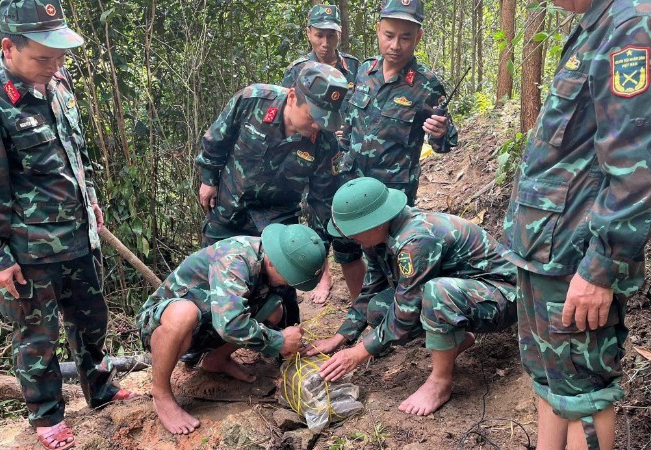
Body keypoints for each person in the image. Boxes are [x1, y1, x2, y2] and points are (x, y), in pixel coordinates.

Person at [501, 0, 651, 447]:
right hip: (545, 244)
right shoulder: (599, 22)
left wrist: (602, 265)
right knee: (551, 380)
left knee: (584, 392)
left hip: (575, 254)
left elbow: (640, 163)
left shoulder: (637, 24)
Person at [0, 1, 137, 448]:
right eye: (44, 56)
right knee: (37, 336)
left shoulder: (55, 77)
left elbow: (76, 150)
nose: (55, 65)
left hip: (77, 233)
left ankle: (101, 388)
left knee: (92, 320)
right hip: (28, 248)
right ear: (9, 48)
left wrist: (90, 199)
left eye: (60, 55)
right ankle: (47, 417)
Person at [305, 178, 517, 416]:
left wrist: (359, 352)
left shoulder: (416, 239)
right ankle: (457, 339)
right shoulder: (378, 238)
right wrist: (342, 336)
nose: (349, 237)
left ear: (374, 223)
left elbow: (406, 310)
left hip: (501, 296)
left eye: (352, 231)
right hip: (466, 293)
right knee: (378, 307)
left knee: (437, 293)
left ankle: (440, 382)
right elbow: (370, 290)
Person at [194, 61, 346, 339]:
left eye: (324, 121)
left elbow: (322, 200)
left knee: (281, 293)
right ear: (292, 97)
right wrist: (208, 178)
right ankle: (205, 353)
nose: (317, 127)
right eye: (312, 117)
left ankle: (285, 353)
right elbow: (217, 139)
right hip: (229, 209)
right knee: (215, 286)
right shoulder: (253, 100)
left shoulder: (324, 144)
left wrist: (317, 249)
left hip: (278, 225)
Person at [137, 224, 326, 435]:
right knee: (185, 313)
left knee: (274, 310)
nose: (290, 284)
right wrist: (278, 341)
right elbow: (229, 324)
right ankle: (161, 393)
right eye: (290, 278)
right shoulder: (235, 258)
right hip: (166, 325)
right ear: (274, 263)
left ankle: (216, 359)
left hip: (209, 320)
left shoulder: (269, 259)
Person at [332, 0, 460, 303]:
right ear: (378, 30)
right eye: (389, 35)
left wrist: (440, 134)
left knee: (388, 258)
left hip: (391, 191)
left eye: (405, 37)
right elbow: (350, 122)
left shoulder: (426, 85)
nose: (396, 45)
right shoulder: (364, 71)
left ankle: (392, 319)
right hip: (352, 180)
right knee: (347, 250)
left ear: (418, 37)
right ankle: (359, 310)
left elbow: (445, 142)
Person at [281, 4, 360, 305]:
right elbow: (290, 113)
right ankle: (324, 275)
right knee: (316, 211)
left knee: (348, 209)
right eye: (319, 36)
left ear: (339, 34)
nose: (325, 44)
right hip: (311, 154)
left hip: (347, 153)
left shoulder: (354, 68)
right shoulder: (297, 71)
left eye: (331, 36)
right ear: (308, 34)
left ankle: (358, 283)